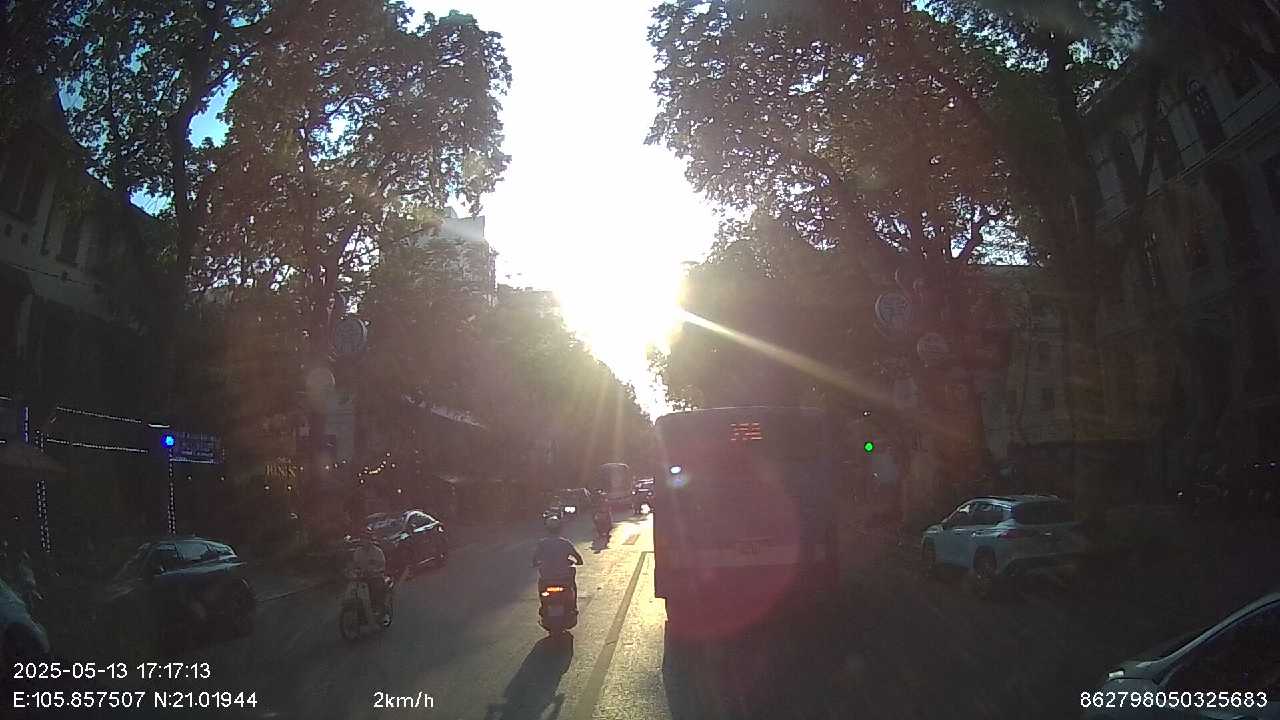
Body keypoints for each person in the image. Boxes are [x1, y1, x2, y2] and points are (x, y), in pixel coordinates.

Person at [531, 516, 583, 608]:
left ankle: (544, 606)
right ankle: (574, 606)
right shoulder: (565, 543)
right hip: (564, 577)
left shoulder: (542, 543)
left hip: (547, 578)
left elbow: (535, 559)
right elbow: (578, 557)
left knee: (541, 586)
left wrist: (536, 563)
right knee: (572, 584)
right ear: (560, 529)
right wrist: (578, 562)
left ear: (547, 529)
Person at [347, 529, 389, 624]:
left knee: (376, 591)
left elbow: (382, 566)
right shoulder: (358, 552)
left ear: (370, 540)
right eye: (362, 539)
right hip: (362, 578)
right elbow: (354, 565)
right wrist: (352, 572)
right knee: (353, 592)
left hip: (375, 577)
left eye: (366, 539)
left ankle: (382, 612)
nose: (364, 541)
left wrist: (375, 571)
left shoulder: (377, 552)